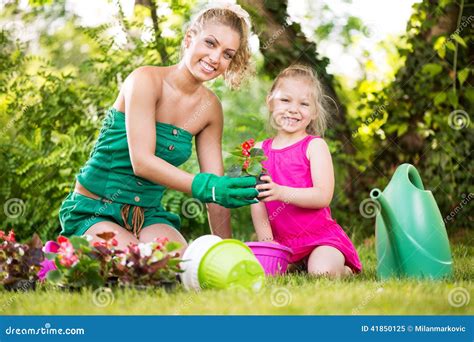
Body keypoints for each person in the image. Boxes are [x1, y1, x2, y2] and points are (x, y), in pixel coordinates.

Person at [58, 4, 259, 253]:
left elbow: (215, 191)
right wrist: (206, 186)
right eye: (210, 43)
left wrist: (228, 250)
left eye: (227, 54)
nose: (216, 58)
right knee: (138, 263)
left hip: (147, 216)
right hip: (94, 209)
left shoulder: (210, 108)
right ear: (189, 38)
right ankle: (68, 252)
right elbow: (141, 162)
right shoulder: (145, 80)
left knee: (179, 264)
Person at [250, 65, 362, 277]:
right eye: (285, 100)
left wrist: (282, 192)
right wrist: (267, 243)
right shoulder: (258, 150)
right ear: (270, 101)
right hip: (283, 243)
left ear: (314, 112)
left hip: (319, 238)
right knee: (264, 272)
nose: (293, 109)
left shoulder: (314, 146)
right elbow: (257, 202)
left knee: (322, 272)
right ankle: (296, 263)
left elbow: (323, 196)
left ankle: (344, 270)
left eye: (303, 104)